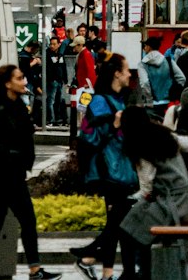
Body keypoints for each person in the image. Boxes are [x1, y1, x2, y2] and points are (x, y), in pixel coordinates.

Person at [0, 63, 59, 280]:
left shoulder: (17, 106)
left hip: (12, 174)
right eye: (19, 78)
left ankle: (30, 269)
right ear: (7, 83)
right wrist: (13, 155)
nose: (24, 82)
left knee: (22, 220)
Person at [74, 54, 134, 280]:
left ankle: (105, 271)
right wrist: (114, 123)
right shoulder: (100, 101)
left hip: (122, 169)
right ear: (117, 73)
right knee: (120, 220)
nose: (130, 74)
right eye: (126, 69)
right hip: (108, 170)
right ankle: (88, 256)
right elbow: (90, 136)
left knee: (117, 220)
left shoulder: (119, 99)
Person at [117, 107, 188, 280]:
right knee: (134, 224)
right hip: (186, 200)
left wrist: (132, 199)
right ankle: (141, 273)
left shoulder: (140, 145)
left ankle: (137, 273)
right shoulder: (164, 134)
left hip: (171, 204)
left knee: (128, 229)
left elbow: (146, 188)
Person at [136, 34, 185, 114]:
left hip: (152, 104)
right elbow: (182, 78)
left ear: (149, 47)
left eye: (145, 46)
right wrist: (174, 92)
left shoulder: (142, 64)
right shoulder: (168, 61)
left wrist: (149, 101)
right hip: (169, 103)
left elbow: (144, 83)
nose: (144, 48)